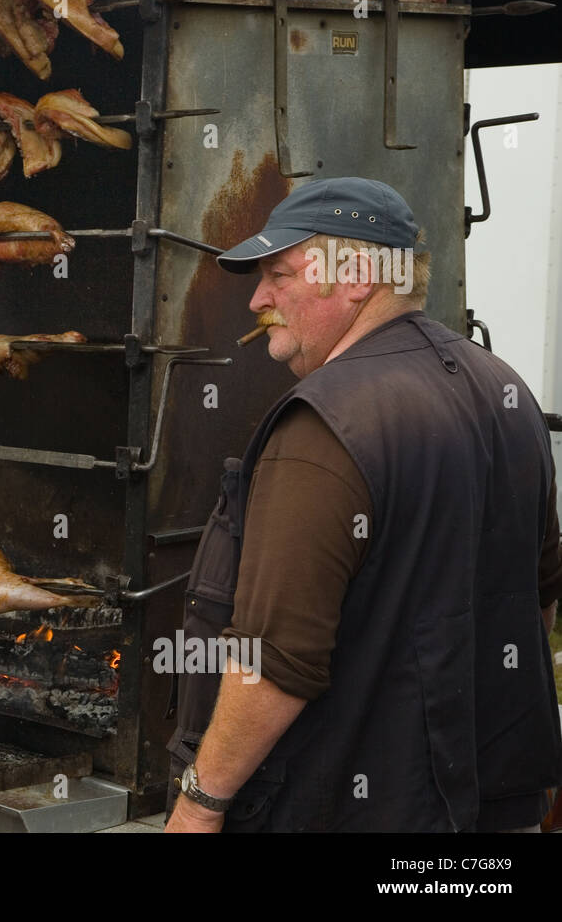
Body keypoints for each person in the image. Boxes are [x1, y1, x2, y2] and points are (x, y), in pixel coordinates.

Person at [165, 177, 562, 832]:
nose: (259, 298)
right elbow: (536, 600)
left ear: (354, 275)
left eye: (279, 273)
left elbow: (274, 662)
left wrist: (199, 804)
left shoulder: (323, 425)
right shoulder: (506, 391)